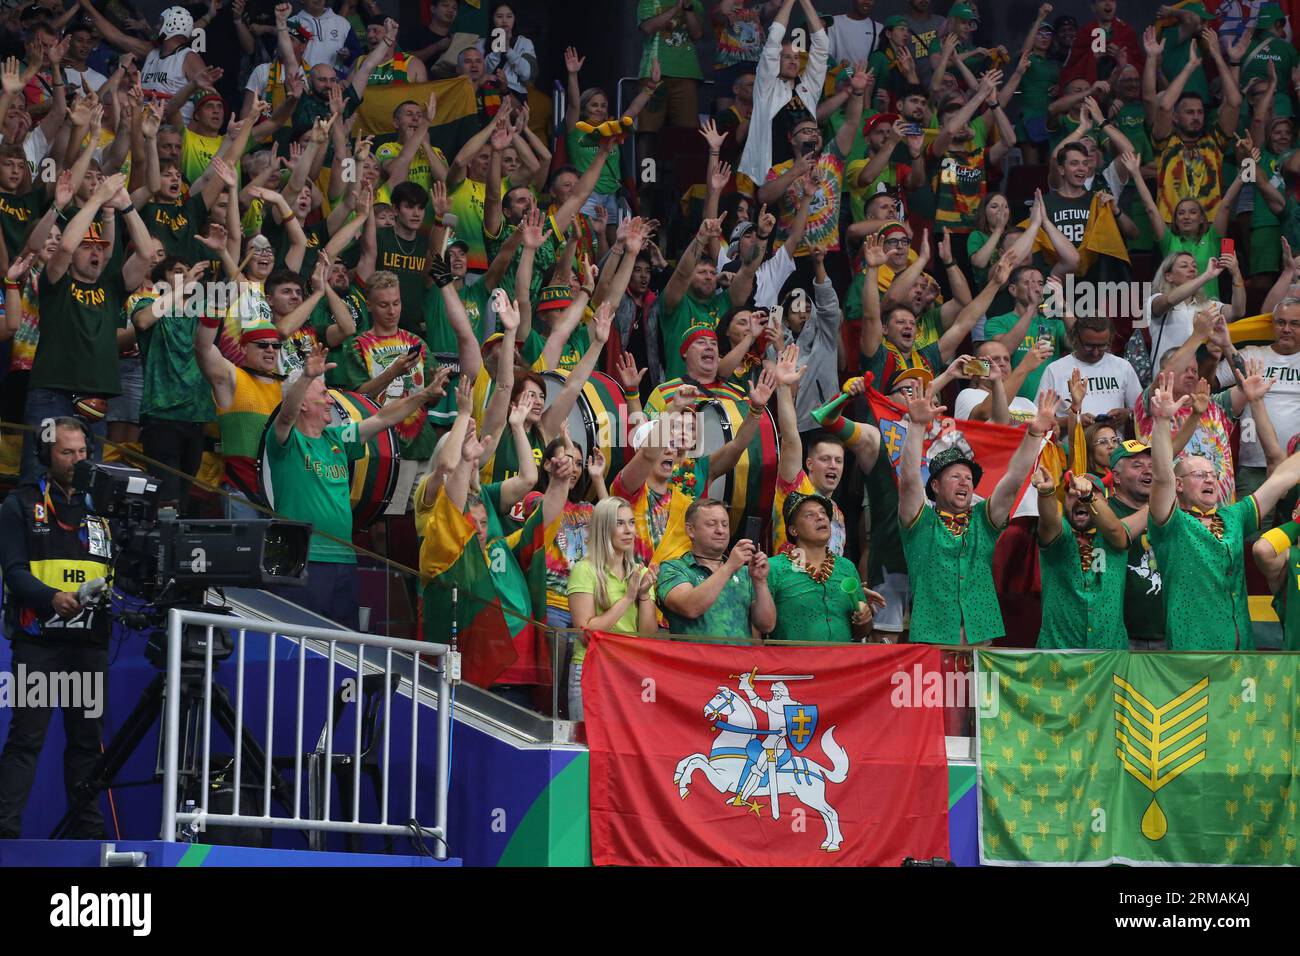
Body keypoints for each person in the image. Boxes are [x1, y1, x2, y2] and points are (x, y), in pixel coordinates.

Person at [264, 343, 446, 629]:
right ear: (302, 403)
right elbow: (286, 416)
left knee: (344, 646)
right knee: (301, 646)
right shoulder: (286, 443)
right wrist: (307, 377)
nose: (330, 401)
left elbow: (384, 417)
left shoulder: (336, 440)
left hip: (345, 560)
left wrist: (424, 395)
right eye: (323, 394)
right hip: (304, 560)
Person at [0, 417, 111, 839]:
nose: (77, 460)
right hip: (41, 644)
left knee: (87, 744)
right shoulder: (20, 504)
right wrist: (51, 598)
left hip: (90, 644)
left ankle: (88, 835)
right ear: (45, 455)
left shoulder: (101, 505)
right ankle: (5, 835)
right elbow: (14, 573)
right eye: (67, 452)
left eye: (82, 452)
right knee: (27, 741)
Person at [1147, 371, 1300, 650]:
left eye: (1212, 474)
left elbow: (1279, 480)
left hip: (1241, 652)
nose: (1209, 479)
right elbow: (1161, 477)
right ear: (1179, 485)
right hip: (1193, 652)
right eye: (1198, 475)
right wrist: (1161, 421)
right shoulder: (1170, 524)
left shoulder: (1232, 516)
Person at [897, 383, 1060, 644]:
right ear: (935, 486)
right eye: (955, 477)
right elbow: (908, 480)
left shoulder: (984, 520)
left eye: (968, 478)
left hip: (982, 637)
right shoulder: (919, 522)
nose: (964, 482)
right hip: (932, 637)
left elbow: (1014, 479)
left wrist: (1034, 435)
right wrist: (916, 427)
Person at [21, 172, 157, 483]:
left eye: (100, 248)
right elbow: (65, 245)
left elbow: (146, 253)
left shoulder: (112, 286)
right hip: (52, 393)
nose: (96, 252)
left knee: (87, 482)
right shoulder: (56, 281)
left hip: (95, 400)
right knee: (36, 474)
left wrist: (125, 206)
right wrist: (96, 198)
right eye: (88, 247)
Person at [567, 497, 659, 718]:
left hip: (630, 670)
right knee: (589, 748)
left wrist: (644, 595)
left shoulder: (641, 573)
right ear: (603, 528)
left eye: (630, 522)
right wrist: (628, 598)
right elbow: (587, 633)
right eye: (619, 523)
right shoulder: (584, 570)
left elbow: (647, 636)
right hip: (593, 668)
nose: (628, 531)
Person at [1030, 467, 1139, 649]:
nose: (1080, 497)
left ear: (1105, 502)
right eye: (1072, 493)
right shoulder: (1058, 532)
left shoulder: (1116, 535)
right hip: (1058, 654)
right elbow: (1049, 520)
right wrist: (1046, 492)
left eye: (1090, 493)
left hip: (1110, 655)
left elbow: (1142, 514)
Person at [657, 497, 776, 641]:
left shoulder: (745, 572)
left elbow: (767, 625)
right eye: (711, 524)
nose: (720, 530)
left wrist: (760, 581)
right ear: (691, 530)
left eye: (725, 524)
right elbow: (690, 608)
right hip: (693, 662)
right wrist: (729, 567)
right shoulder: (673, 568)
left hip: (740, 662)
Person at [766, 492, 880, 642]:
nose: (820, 517)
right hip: (793, 663)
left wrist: (864, 619)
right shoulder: (773, 568)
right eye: (809, 515)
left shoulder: (847, 567)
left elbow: (861, 633)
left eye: (823, 513)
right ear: (794, 530)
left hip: (840, 662)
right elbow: (760, 626)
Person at [739, 0, 828, 187]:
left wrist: (804, 2)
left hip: (804, 175)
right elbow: (773, 42)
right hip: (768, 173)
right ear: (776, 60)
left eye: (796, 57)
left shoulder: (808, 88)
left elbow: (821, 46)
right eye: (786, 56)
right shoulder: (766, 87)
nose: (793, 61)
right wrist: (788, 3)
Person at [1104, 439, 1165, 650]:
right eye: (1137, 465)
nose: (1148, 471)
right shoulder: (1104, 512)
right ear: (1117, 477)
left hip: (1170, 633)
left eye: (1151, 465)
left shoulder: (1171, 512)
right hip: (1122, 636)